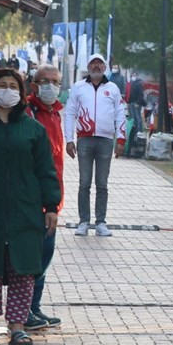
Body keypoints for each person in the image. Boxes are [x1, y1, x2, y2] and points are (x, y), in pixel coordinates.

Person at [0, 69, 60, 345]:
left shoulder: (34, 129)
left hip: (26, 210)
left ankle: (18, 327)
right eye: (2, 85)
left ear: (22, 92)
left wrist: (51, 206)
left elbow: (46, 170)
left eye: (13, 86)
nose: (7, 90)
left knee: (23, 271)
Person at [64, 53, 126, 237]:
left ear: (105, 67)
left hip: (106, 141)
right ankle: (83, 221)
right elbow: (69, 113)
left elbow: (120, 114)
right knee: (84, 183)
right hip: (84, 140)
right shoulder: (78, 88)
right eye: (93, 63)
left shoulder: (113, 89)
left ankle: (101, 222)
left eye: (100, 63)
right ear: (88, 67)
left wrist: (120, 140)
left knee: (102, 184)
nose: (96, 66)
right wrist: (69, 140)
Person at [25, 64, 65, 330]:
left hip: (52, 198)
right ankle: (24, 311)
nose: (51, 86)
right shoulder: (28, 113)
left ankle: (34, 308)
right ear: (34, 85)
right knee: (32, 258)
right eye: (45, 81)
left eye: (55, 81)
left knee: (44, 256)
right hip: (33, 199)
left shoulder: (55, 113)